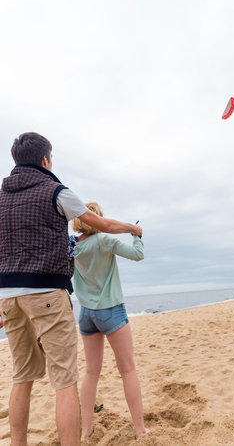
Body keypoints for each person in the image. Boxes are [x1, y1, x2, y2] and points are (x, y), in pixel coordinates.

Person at [0, 132, 142, 446]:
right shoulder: (56, 191)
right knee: (64, 381)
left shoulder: (2, 197)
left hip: (8, 296)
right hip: (47, 294)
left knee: (21, 377)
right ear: (45, 159)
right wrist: (133, 229)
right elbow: (103, 225)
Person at [72, 202, 148, 440]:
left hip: (85, 314)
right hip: (111, 311)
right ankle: (140, 430)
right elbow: (138, 255)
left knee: (91, 373)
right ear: (99, 219)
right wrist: (137, 236)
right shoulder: (104, 241)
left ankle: (86, 431)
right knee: (128, 370)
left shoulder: (73, 247)